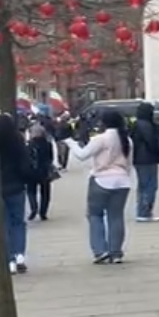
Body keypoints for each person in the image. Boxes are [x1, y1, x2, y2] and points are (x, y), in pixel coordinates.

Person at [63, 110, 132, 264]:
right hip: (122, 181)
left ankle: (100, 251)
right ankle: (116, 252)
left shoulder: (100, 139)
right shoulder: (126, 140)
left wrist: (70, 142)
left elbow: (82, 155)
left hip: (101, 179)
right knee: (116, 216)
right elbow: (129, 164)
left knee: (95, 215)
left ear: (104, 123)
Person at [0, 114, 34, 274]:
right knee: (18, 222)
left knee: (5, 224)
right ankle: (19, 255)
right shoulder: (18, 140)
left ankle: (9, 259)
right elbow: (25, 164)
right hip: (16, 186)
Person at [131, 102, 159, 222]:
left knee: (142, 186)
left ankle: (141, 211)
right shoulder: (146, 125)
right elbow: (152, 141)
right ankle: (145, 212)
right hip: (148, 158)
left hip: (138, 159)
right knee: (150, 186)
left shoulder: (136, 124)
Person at [26, 123, 56, 221]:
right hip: (45, 171)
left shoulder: (29, 145)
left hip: (32, 171)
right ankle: (43, 212)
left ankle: (33, 208)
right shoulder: (48, 144)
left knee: (31, 191)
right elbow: (50, 158)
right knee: (45, 193)